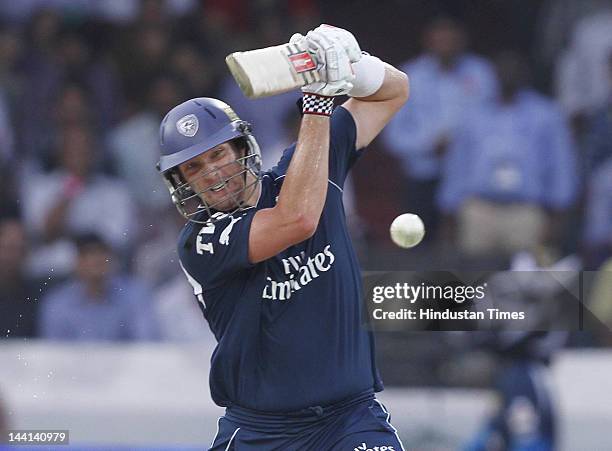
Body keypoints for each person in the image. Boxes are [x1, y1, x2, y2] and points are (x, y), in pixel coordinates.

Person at [157, 25, 409, 450]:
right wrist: (318, 102)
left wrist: (352, 65)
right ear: (183, 183)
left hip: (350, 420)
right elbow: (296, 220)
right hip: (261, 432)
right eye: (193, 169)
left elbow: (395, 91)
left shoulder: (308, 165)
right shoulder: (200, 241)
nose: (211, 173)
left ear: (241, 148)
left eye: (217, 154)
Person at [437, 51, 577, 257]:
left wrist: (557, 215)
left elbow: (560, 165)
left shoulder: (546, 114)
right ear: (493, 75)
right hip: (479, 209)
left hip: (526, 211)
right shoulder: (474, 114)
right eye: (502, 71)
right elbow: (458, 165)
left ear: (524, 76)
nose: (507, 75)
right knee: (475, 279)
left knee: (523, 280)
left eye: (513, 72)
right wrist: (449, 212)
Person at [383, 17, 497, 240]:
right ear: (428, 41)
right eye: (440, 39)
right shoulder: (409, 75)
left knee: (465, 244)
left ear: (462, 40)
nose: (446, 45)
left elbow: (494, 120)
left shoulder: (482, 73)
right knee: (418, 242)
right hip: (423, 173)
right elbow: (393, 135)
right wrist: (428, 145)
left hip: (471, 174)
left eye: (451, 39)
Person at [38, 233, 159, 341]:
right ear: (76, 263)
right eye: (89, 255)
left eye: (101, 253)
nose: (96, 260)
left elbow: (145, 344)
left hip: (126, 365)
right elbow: (54, 352)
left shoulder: (135, 295)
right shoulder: (57, 303)